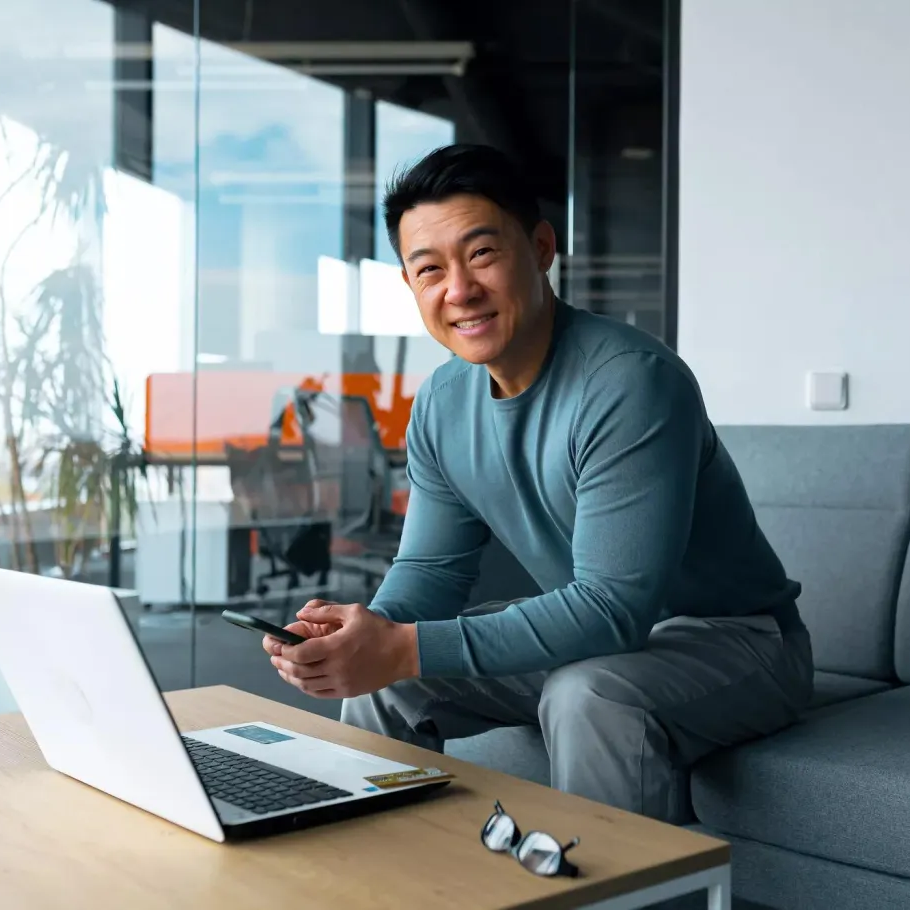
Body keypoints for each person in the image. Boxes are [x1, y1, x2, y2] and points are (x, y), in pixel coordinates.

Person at [263, 143, 813, 823]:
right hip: (600, 638)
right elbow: (431, 572)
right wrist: (362, 635)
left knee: (590, 694)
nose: (458, 289)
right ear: (410, 286)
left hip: (740, 642)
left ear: (542, 247)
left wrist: (401, 647)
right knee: (387, 688)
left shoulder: (630, 383)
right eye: (429, 269)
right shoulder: (441, 401)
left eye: (482, 255)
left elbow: (613, 607)